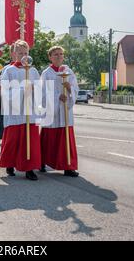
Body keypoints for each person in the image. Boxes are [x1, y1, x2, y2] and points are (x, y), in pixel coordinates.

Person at [0, 40, 41, 181]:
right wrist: (23, 90)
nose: (23, 56)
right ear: (14, 54)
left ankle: (29, 168)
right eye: (20, 53)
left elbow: (40, 89)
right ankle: (10, 163)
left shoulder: (33, 71)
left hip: (29, 111)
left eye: (26, 53)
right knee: (13, 141)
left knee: (30, 141)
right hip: (15, 112)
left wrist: (35, 90)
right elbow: (5, 92)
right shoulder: (9, 71)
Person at [40, 46, 79, 177]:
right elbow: (43, 93)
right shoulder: (46, 73)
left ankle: (68, 166)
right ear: (50, 57)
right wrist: (57, 97)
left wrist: (69, 90)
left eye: (61, 54)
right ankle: (42, 162)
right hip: (53, 113)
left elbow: (75, 88)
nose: (59, 56)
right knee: (49, 140)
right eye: (55, 54)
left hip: (65, 111)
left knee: (66, 139)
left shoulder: (69, 71)